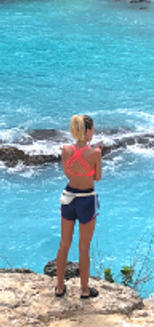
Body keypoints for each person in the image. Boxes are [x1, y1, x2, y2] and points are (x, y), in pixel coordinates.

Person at [55, 114, 102, 299]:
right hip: (86, 199)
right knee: (83, 247)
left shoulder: (65, 149)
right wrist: (95, 153)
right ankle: (84, 290)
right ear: (87, 130)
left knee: (64, 244)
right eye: (92, 129)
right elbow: (96, 178)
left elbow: (68, 173)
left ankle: (59, 287)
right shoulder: (95, 153)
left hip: (68, 197)